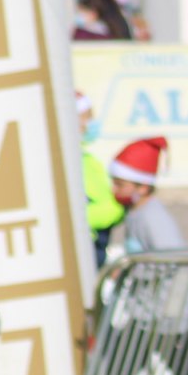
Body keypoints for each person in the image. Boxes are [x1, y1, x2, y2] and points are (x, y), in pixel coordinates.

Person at [108, 137, 186, 255]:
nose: (113, 189)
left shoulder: (152, 215)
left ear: (143, 188)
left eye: (120, 185)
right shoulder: (135, 211)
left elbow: (172, 258)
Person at [76, 93, 126, 269]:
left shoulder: (86, 159)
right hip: (85, 245)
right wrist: (117, 208)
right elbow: (76, 212)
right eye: (87, 117)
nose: (91, 123)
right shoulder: (73, 162)